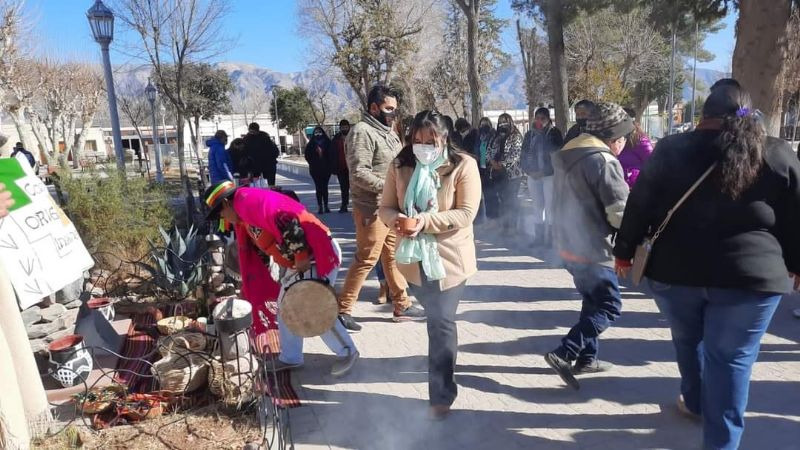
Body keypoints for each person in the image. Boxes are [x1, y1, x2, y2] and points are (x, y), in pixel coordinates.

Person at [613, 84, 800, 450]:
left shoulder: (671, 149)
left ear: (703, 115)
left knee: (687, 340)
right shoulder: (775, 152)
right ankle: (720, 443)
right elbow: (796, 214)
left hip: (674, 274)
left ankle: (695, 402)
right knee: (731, 361)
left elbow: (640, 205)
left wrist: (623, 252)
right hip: (752, 281)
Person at [379, 110, 481, 420]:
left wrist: (423, 221)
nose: (422, 146)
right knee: (435, 322)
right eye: (417, 140)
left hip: (449, 259)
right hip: (412, 260)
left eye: (430, 140)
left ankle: (440, 395)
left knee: (440, 323)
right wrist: (397, 220)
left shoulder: (463, 166)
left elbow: (465, 213)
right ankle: (440, 385)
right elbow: (385, 207)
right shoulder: (400, 165)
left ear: (444, 139)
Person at [204, 181, 359, 376]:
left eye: (220, 212)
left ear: (226, 203)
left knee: (313, 309)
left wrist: (301, 255)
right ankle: (291, 357)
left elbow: (286, 220)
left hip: (314, 254)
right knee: (285, 306)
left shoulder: (246, 203)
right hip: (301, 259)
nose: (222, 218)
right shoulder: (244, 208)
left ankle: (348, 351)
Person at [546, 102, 632, 390]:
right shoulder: (603, 161)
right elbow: (619, 211)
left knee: (592, 300)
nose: (623, 144)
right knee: (609, 305)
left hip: (567, 244)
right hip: (593, 246)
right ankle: (565, 352)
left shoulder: (568, 154)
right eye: (622, 139)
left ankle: (587, 358)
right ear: (612, 137)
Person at [337, 84, 425, 332]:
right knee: (366, 259)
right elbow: (358, 173)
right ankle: (343, 309)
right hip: (371, 209)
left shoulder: (387, 131)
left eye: (394, 110)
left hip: (388, 208)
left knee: (392, 257)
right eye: (388, 109)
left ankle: (402, 304)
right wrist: (391, 187)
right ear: (373, 107)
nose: (392, 114)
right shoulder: (362, 132)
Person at [521, 107, 564, 247]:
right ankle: (538, 238)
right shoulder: (529, 135)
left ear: (548, 119)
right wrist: (528, 171)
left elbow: (557, 155)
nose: (539, 121)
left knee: (550, 206)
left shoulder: (554, 133)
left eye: (542, 118)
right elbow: (523, 154)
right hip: (532, 175)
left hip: (549, 176)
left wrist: (544, 171)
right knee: (537, 206)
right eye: (537, 118)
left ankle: (550, 240)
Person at [487, 113, 524, 231]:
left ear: (510, 122)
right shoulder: (496, 137)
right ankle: (504, 225)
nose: (502, 124)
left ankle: (513, 226)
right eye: (500, 122)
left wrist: (502, 164)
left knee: (511, 199)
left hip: (512, 174)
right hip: (498, 173)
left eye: (505, 122)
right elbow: (489, 150)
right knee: (502, 199)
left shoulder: (516, 136)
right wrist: (492, 162)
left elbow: (515, 154)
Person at [618, 108, 654, 187]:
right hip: (617, 187)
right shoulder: (613, 140)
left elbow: (654, 164)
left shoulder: (640, 140)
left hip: (636, 189)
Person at [304, 126, 334, 214]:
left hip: (326, 169)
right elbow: (307, 156)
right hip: (315, 169)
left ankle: (326, 206)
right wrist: (314, 159)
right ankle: (320, 206)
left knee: (325, 187)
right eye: (316, 132)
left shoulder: (328, 142)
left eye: (319, 132)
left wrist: (324, 155)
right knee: (318, 187)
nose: (318, 134)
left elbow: (332, 154)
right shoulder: (311, 144)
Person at [331, 120, 351, 213]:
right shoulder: (336, 139)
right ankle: (344, 205)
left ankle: (357, 207)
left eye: (346, 127)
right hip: (341, 168)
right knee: (344, 188)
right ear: (340, 128)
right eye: (343, 127)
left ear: (349, 127)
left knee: (355, 189)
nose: (344, 129)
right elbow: (332, 153)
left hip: (353, 168)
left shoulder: (354, 137)